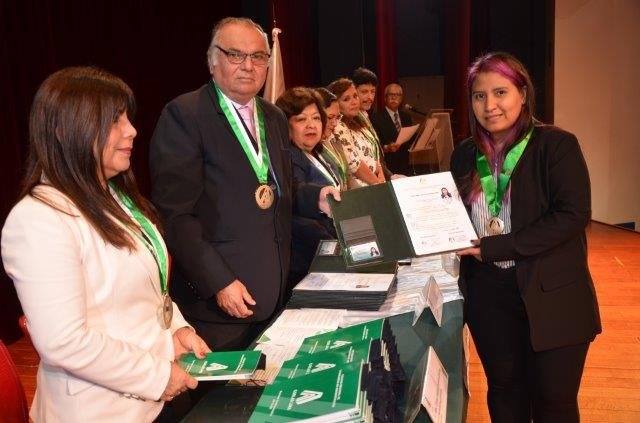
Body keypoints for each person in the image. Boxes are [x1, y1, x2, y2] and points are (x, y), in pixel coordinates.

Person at [1, 67, 210, 422]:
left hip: (158, 394)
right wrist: (156, 376)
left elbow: (148, 287)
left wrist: (178, 330)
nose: (132, 130)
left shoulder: (113, 198)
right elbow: (64, 342)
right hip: (104, 410)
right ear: (66, 131)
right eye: (114, 120)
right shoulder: (38, 219)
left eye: (127, 117)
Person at [149, 17, 340, 351]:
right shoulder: (185, 115)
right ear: (212, 59)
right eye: (235, 55)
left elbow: (277, 189)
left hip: (275, 294)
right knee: (223, 402)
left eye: (258, 57)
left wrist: (316, 197)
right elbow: (176, 217)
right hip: (220, 307)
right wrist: (218, 281)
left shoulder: (274, 117)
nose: (248, 66)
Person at [453, 52, 601, 422]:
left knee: (554, 400)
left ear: (522, 93)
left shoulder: (556, 145)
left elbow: (573, 215)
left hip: (552, 292)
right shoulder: (464, 154)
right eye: (479, 96)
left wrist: (497, 247)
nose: (490, 106)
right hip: (489, 296)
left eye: (500, 92)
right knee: (504, 393)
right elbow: (454, 214)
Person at [276, 87, 338, 287]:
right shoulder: (288, 158)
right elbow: (294, 207)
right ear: (286, 125)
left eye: (316, 118)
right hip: (308, 262)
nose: (311, 125)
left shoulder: (320, 153)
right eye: (301, 119)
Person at [328, 77, 385, 188]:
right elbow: (354, 165)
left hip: (375, 182)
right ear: (335, 104)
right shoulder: (338, 127)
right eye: (346, 99)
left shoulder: (358, 122)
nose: (354, 102)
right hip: (361, 189)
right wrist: (378, 184)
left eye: (355, 96)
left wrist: (381, 177)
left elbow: (374, 155)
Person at [371, 83, 414, 174]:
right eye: (391, 94)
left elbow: (410, 140)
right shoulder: (376, 118)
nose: (394, 98)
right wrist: (387, 148)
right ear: (385, 98)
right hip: (388, 166)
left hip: (405, 165)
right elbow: (374, 145)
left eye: (398, 95)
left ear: (401, 98)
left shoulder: (407, 117)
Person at [315, 87, 349, 191]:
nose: (335, 124)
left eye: (337, 117)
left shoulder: (335, 140)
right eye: (330, 117)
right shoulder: (310, 149)